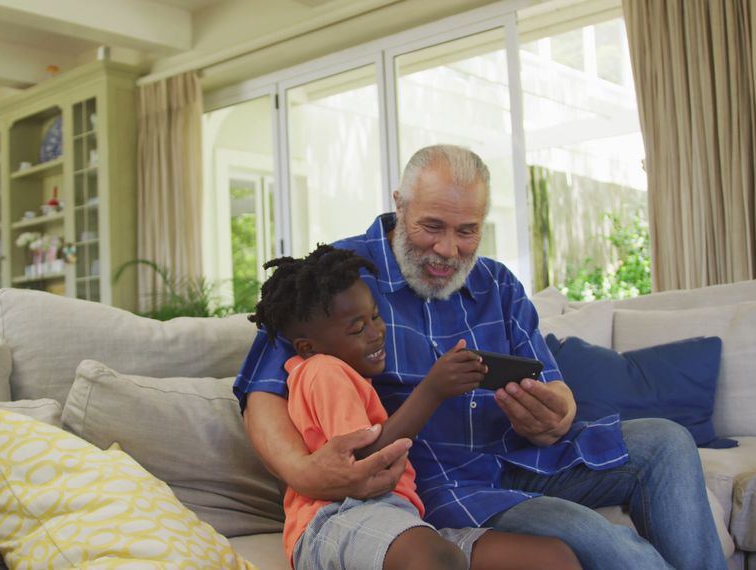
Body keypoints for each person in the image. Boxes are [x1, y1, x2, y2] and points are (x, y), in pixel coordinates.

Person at [235, 144, 726, 570]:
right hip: (440, 479)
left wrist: (556, 414)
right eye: (431, 226)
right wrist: (304, 473)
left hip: (523, 455)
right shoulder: (337, 280)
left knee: (666, 440)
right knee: (585, 532)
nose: (447, 249)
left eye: (467, 231)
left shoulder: (498, 284)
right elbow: (264, 393)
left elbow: (554, 387)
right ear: (399, 205)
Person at [249, 244, 580, 570]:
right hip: (334, 519)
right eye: (358, 328)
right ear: (308, 347)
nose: (377, 333)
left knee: (552, 558)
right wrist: (432, 391)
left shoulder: (349, 376)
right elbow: (365, 462)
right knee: (430, 557)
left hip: (399, 517)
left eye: (376, 317)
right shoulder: (322, 371)